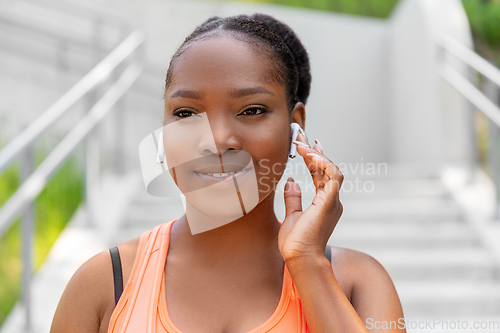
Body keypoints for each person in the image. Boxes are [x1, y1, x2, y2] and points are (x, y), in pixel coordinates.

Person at [50, 14, 406, 333]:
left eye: (251, 110)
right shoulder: (104, 284)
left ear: (295, 127)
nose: (217, 141)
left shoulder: (356, 283)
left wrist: (308, 264)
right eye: (187, 113)